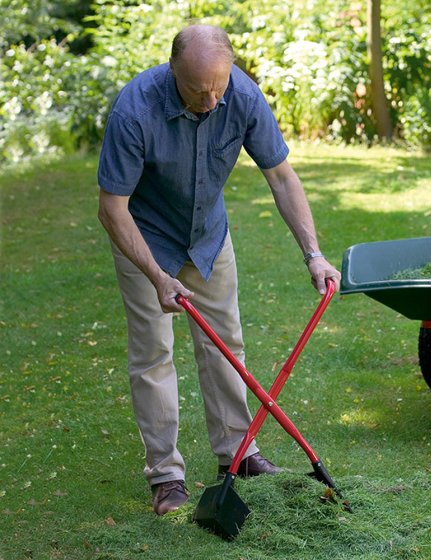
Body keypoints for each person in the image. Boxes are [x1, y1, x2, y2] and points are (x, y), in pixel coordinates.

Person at [97, 24, 341, 516]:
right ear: (172, 72)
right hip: (145, 238)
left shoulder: (242, 95)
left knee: (226, 345)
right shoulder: (134, 109)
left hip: (208, 237)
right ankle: (166, 476)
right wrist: (157, 276)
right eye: (196, 90)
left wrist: (313, 252)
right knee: (153, 355)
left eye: (218, 88)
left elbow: (281, 177)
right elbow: (112, 209)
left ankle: (239, 452)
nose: (210, 102)